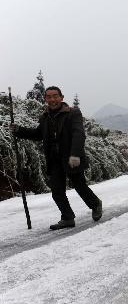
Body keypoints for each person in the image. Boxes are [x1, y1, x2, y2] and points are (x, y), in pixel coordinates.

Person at [10, 86, 103, 230]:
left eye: (55, 96)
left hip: (71, 157)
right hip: (54, 160)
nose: (52, 99)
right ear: (45, 99)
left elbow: (79, 134)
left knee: (79, 186)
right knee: (57, 191)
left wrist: (75, 154)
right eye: (49, 97)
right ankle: (67, 218)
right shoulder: (45, 116)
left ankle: (95, 204)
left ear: (61, 97)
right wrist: (19, 130)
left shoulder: (73, 113)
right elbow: (38, 134)